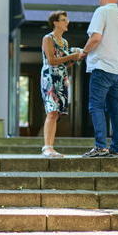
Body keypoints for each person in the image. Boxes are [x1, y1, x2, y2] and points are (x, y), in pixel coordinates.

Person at [79, 0, 118, 157]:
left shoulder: (102, 11)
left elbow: (96, 38)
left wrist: (83, 52)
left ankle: (100, 146)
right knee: (115, 110)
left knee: (96, 106)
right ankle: (116, 149)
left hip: (102, 66)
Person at [40, 11, 81, 157]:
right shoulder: (48, 38)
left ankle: (50, 147)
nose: (67, 22)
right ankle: (47, 147)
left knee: (56, 113)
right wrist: (72, 56)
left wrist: (74, 59)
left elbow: (64, 64)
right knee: (51, 111)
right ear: (55, 23)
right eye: (63, 20)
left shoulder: (64, 42)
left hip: (62, 78)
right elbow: (51, 61)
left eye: (66, 19)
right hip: (50, 78)